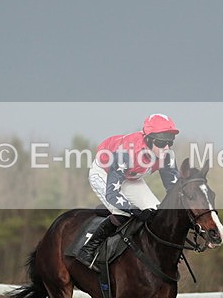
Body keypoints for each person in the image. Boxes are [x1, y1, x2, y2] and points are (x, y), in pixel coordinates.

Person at [77, 113, 181, 270]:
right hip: (104, 173)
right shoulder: (127, 153)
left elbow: (175, 189)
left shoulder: (167, 155)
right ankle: (88, 249)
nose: (166, 147)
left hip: (130, 177)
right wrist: (135, 210)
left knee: (156, 212)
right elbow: (112, 194)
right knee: (123, 212)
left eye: (170, 142)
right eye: (161, 142)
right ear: (148, 139)